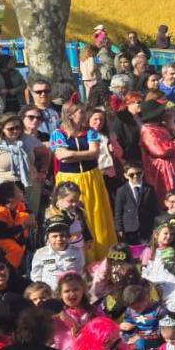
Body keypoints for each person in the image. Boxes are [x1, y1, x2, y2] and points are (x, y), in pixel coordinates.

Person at [51, 102, 118, 263]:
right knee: (76, 216)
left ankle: (102, 256)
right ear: (70, 115)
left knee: (97, 214)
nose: (84, 115)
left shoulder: (90, 132)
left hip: (91, 177)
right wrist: (83, 153)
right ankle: (80, 259)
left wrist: (72, 154)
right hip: (69, 178)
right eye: (81, 112)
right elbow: (60, 155)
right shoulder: (58, 133)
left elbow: (95, 153)